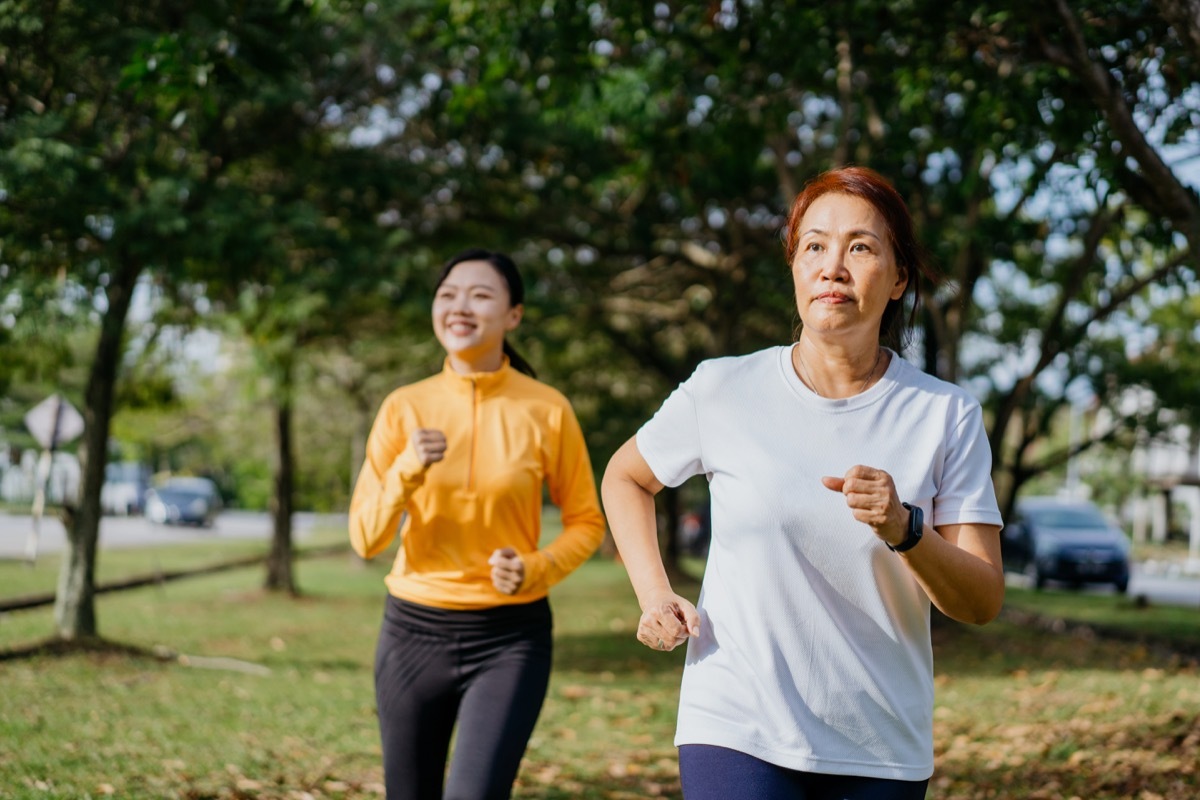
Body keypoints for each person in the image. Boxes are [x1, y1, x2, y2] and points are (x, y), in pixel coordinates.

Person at [601, 166, 1005, 800]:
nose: (833, 266)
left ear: (899, 278)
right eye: (814, 245)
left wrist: (906, 529)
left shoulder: (945, 414)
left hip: (880, 747)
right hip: (736, 725)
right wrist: (655, 593)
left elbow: (981, 601)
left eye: (861, 247)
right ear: (794, 267)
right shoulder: (722, 388)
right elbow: (625, 476)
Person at [349, 248, 606, 800]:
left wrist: (536, 567)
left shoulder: (547, 409)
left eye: (480, 294)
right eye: (448, 294)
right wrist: (407, 469)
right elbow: (366, 537)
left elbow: (587, 522)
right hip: (412, 633)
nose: (460, 306)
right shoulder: (403, 407)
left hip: (509, 640)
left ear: (513, 315)